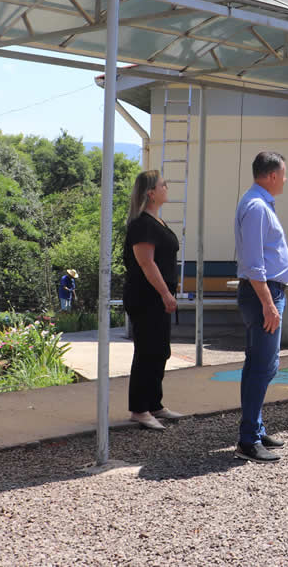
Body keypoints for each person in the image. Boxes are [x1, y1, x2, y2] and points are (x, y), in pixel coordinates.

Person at [233, 151, 288, 463]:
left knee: (257, 364)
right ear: (271, 175)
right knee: (264, 366)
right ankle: (248, 440)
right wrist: (269, 305)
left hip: (263, 292)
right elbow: (254, 264)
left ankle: (254, 429)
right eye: (283, 173)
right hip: (262, 294)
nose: (285, 179)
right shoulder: (257, 207)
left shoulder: (258, 203)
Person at [122, 170, 183, 430]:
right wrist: (165, 293)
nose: (166, 187)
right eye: (162, 185)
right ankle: (139, 409)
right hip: (146, 297)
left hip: (158, 297)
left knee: (160, 350)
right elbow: (147, 264)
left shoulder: (158, 222)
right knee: (147, 351)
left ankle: (154, 404)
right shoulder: (142, 224)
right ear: (151, 193)